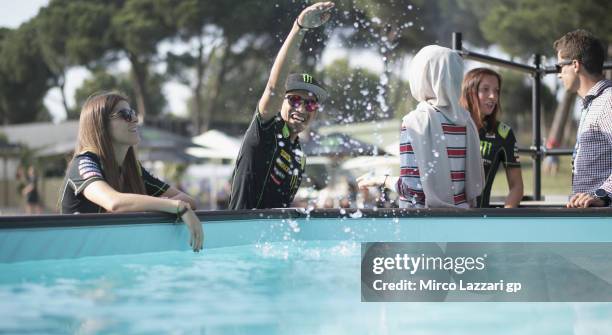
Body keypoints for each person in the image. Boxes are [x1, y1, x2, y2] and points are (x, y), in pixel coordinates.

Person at [59, 91, 203, 252]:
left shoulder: (133, 169)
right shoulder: (84, 163)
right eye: (125, 114)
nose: (135, 119)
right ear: (101, 124)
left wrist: (172, 206)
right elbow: (114, 202)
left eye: (133, 113)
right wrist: (177, 207)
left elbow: (188, 200)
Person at [229, 2, 334, 210]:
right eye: (295, 100)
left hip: (272, 242)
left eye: (310, 104)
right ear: (281, 102)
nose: (302, 109)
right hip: (241, 237)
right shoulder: (267, 131)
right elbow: (273, 88)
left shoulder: (299, 155)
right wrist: (299, 28)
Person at [358, 45, 484, 208]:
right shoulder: (467, 122)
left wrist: (381, 180)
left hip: (424, 222)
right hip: (461, 218)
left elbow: (412, 189)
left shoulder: (415, 122)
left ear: (421, 76)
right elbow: (473, 186)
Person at [554, 30, 612, 208]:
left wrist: (602, 195)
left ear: (575, 65)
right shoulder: (593, 104)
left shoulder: (608, 102)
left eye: (559, 67)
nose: (558, 74)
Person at [460, 68, 524, 208]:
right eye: (486, 89)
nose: (493, 96)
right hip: (447, 217)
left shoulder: (504, 134)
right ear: (470, 92)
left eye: (496, 91)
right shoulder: (451, 125)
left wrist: (504, 219)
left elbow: (516, 187)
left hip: (480, 221)